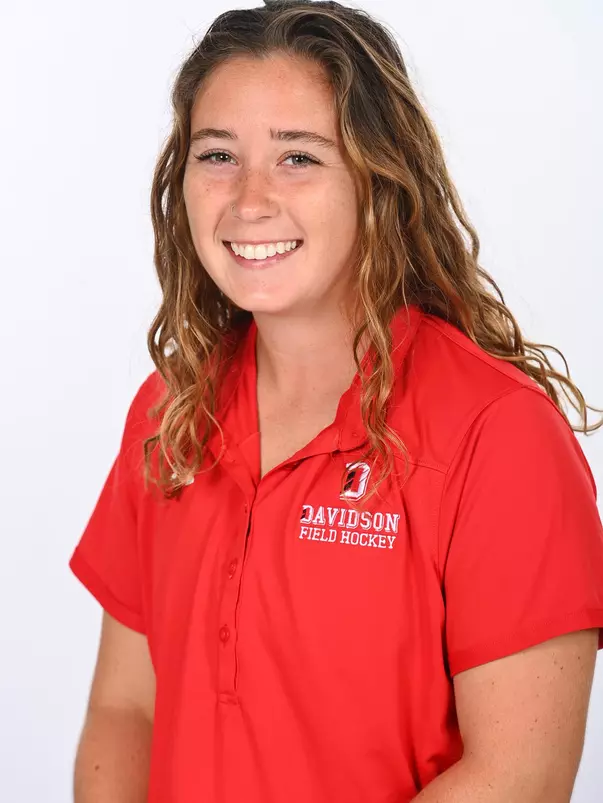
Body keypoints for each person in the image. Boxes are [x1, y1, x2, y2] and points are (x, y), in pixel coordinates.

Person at [68, 1, 603, 801]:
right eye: (218, 154)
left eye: (298, 157)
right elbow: (126, 708)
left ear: (378, 178)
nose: (249, 200)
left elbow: (516, 775)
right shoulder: (169, 410)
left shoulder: (498, 433)